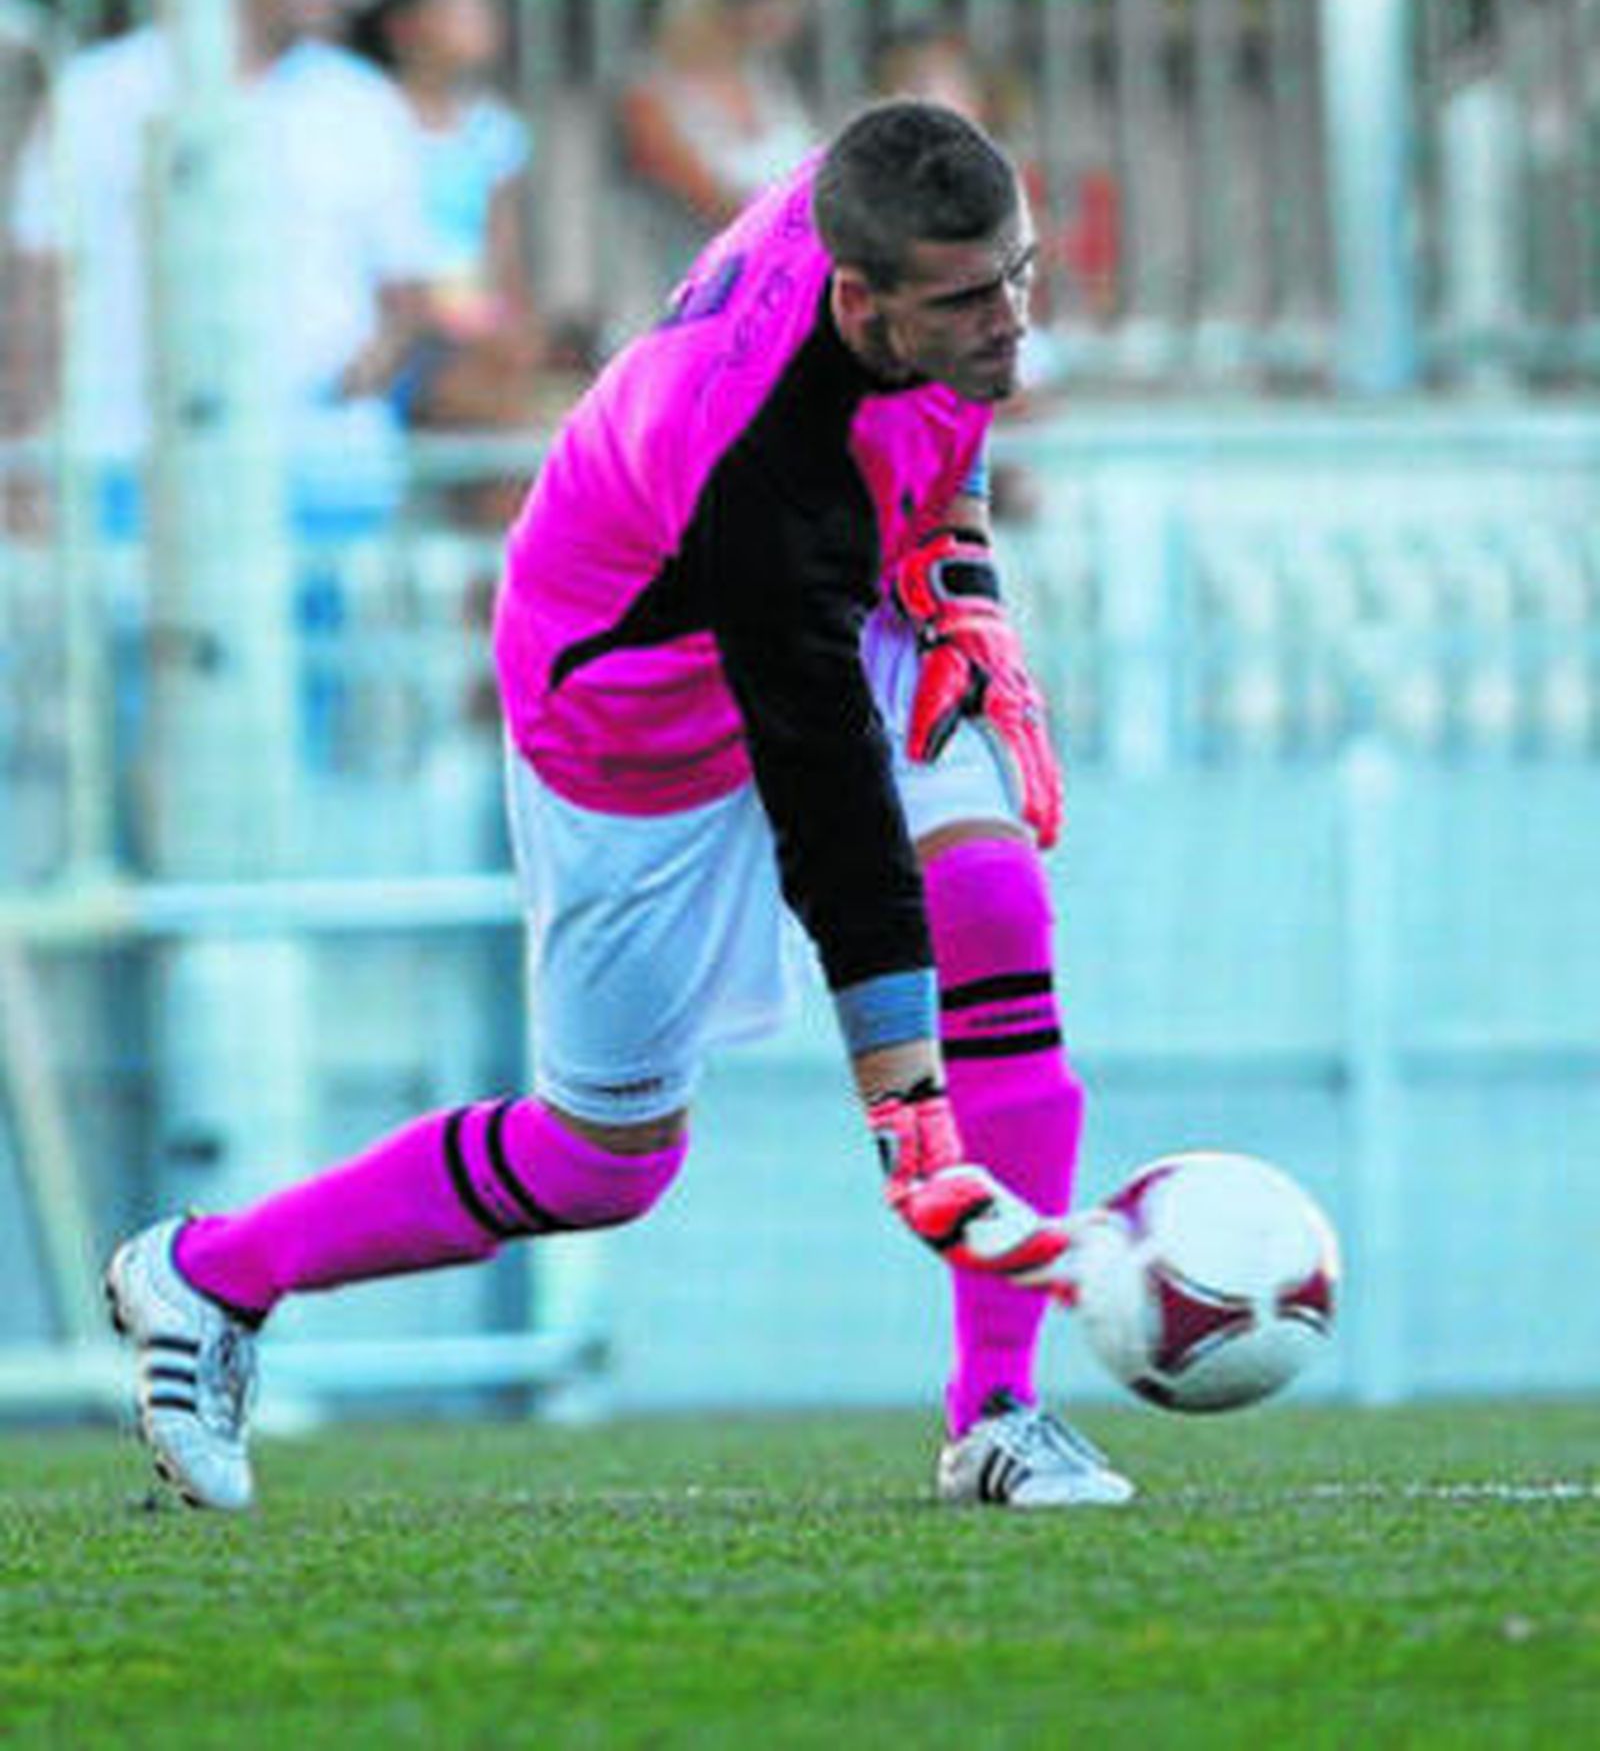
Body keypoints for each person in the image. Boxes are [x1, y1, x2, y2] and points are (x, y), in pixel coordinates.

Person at [104, 100, 1134, 1515]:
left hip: (814, 616)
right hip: (627, 717)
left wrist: (960, 573)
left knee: (993, 899)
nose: (1013, 317)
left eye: (1019, 273)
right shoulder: (756, 457)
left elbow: (936, 439)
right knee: (599, 1163)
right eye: (972, 298)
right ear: (859, 300)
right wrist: (912, 1123)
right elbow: (833, 813)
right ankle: (207, 1275)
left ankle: (1001, 1412)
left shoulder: (903, 228)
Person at [4, 0, 438, 535]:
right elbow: (40, 283)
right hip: (131, 466)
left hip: (318, 478)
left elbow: (406, 296)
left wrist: (348, 386)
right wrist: (24, 446)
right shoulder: (102, 92)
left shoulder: (363, 104)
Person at [346, 0, 547, 452]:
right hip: (394, 333)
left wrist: (509, 331)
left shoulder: (493, 133)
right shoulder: (365, 119)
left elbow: (504, 267)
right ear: (405, 24)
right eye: (463, 0)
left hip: (467, 332)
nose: (483, 14)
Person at [609, 0, 825, 340]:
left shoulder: (772, 87)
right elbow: (738, 218)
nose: (779, 10)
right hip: (675, 341)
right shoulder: (647, 99)